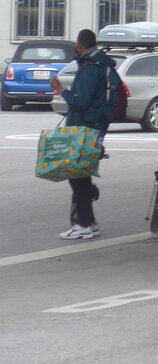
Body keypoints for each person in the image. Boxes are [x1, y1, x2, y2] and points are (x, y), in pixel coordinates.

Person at [50, 28, 117, 241]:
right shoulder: (101, 64)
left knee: (77, 177)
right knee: (82, 175)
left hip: (84, 128)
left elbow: (81, 102)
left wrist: (62, 90)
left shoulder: (90, 68)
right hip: (95, 127)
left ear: (80, 46)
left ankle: (84, 224)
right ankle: (90, 222)